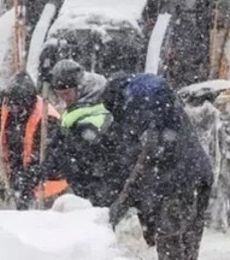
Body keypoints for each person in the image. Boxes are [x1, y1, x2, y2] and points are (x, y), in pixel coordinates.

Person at [102, 72, 212, 260]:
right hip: (201, 173)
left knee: (169, 242)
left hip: (177, 182)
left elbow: (144, 161)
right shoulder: (161, 104)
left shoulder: (136, 110)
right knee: (190, 241)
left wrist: (120, 204)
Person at [46, 59, 123, 207]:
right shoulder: (77, 109)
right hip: (91, 186)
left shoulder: (95, 113)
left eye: (67, 93)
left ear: (80, 88)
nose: (63, 99)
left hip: (100, 187)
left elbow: (85, 155)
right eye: (59, 94)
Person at [0, 72, 68, 210]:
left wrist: (30, 177)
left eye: (18, 107)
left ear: (29, 102)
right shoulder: (7, 108)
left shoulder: (47, 119)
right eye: (12, 106)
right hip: (21, 184)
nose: (14, 110)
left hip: (48, 190)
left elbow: (53, 159)